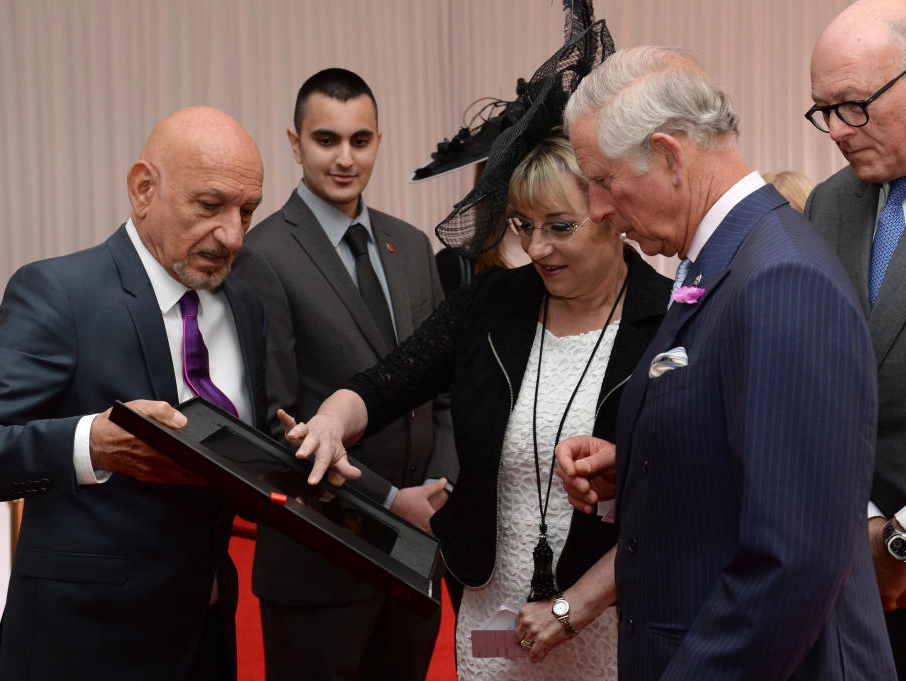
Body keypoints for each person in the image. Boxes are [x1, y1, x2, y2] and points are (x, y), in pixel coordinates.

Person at [0, 107, 352, 681]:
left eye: (247, 211)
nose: (233, 234)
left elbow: (229, 445)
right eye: (210, 206)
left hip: (206, 640)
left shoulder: (245, 305)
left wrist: (294, 452)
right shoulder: (61, 293)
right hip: (81, 646)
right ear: (143, 189)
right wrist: (94, 445)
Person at [555, 46, 896, 679]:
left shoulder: (780, 276)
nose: (599, 209)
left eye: (601, 180)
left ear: (667, 155)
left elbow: (790, 563)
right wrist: (637, 467)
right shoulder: (721, 260)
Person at [284, 130, 670, 680]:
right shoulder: (492, 305)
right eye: (523, 225)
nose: (537, 248)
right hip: (496, 610)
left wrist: (573, 607)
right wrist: (329, 421)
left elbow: (676, 499)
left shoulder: (666, 323)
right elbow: (387, 382)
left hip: (607, 615)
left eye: (560, 226)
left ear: (612, 214)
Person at [231, 68, 456, 681]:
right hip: (320, 560)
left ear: (379, 140)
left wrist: (442, 490)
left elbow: (444, 390)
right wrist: (391, 503)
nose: (344, 158)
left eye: (360, 140)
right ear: (295, 142)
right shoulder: (262, 256)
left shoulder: (410, 248)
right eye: (326, 139)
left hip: (419, 554)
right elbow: (272, 422)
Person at [805, 2, 906, 675]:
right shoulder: (829, 202)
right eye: (823, 110)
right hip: (849, 571)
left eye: (853, 106)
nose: (837, 131)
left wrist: (902, 538)